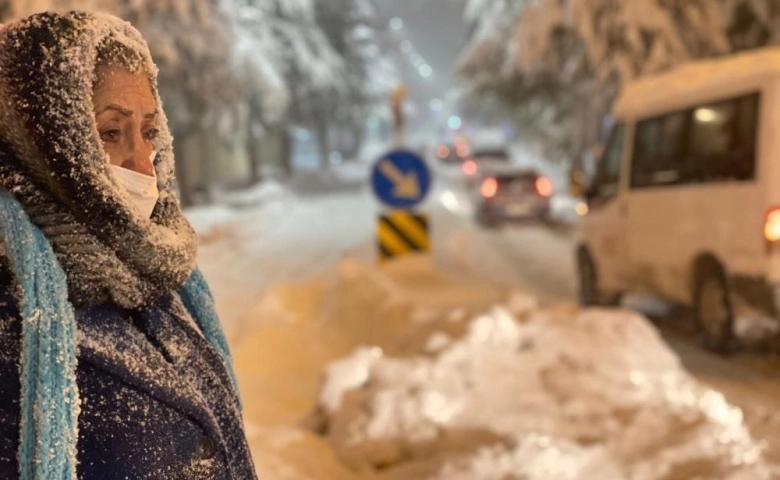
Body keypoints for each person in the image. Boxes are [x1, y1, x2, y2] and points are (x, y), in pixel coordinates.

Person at [0, 11, 257, 480]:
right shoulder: (15, 319)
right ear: (45, 144)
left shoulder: (154, 284)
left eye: (151, 131)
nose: (144, 163)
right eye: (110, 133)